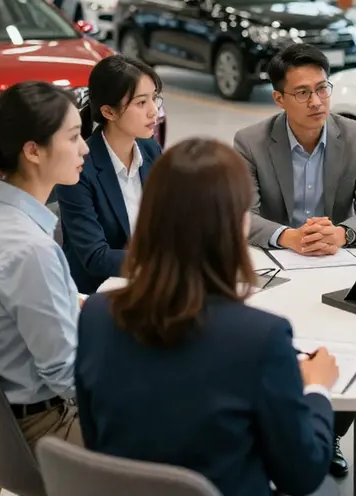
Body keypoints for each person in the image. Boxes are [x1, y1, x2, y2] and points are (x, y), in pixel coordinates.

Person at [75, 139, 340, 496]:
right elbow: (303, 473)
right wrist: (317, 389)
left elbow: (95, 440)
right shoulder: (262, 339)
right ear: (237, 224)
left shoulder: (95, 315)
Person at [234, 43, 356, 478]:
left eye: (323, 88)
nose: (317, 101)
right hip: (279, 272)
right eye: (302, 93)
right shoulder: (251, 141)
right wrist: (288, 237)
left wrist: (344, 232)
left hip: (339, 268)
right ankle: (292, 429)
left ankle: (329, 430)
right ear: (279, 99)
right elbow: (243, 214)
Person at [0, 82, 88, 449]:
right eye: (74, 137)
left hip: (8, 416)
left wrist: (71, 300)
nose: (85, 148)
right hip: (49, 425)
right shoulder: (31, 250)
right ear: (33, 150)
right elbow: (66, 375)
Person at [56, 55, 163, 294]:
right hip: (98, 295)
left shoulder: (150, 149)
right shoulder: (79, 169)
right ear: (109, 112)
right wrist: (162, 265)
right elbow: (96, 257)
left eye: (154, 99)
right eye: (141, 103)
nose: (153, 111)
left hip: (147, 286)